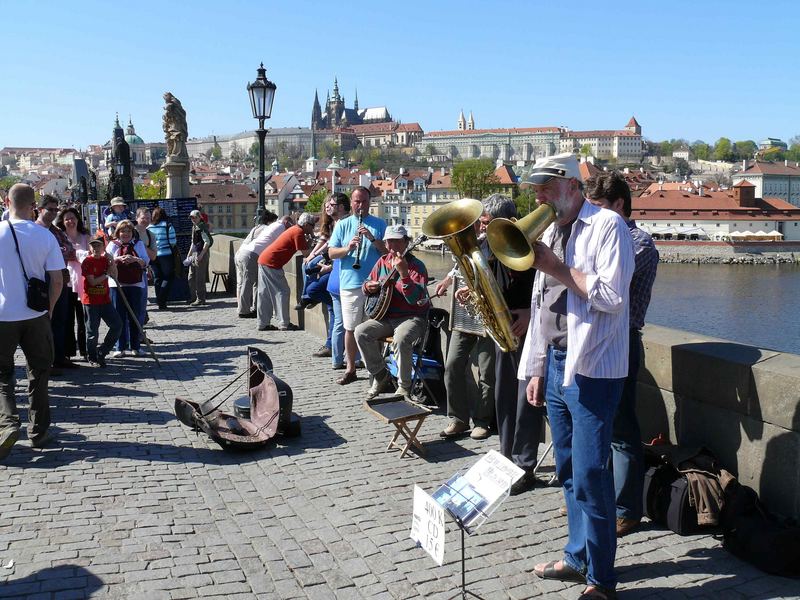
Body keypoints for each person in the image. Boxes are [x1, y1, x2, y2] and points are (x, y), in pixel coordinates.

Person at [522, 154, 634, 600]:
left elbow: (611, 296)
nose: (538, 196)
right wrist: (534, 368)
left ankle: (601, 580)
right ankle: (578, 555)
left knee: (591, 473)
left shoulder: (608, 226)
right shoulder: (549, 231)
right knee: (567, 469)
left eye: (545, 187)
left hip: (593, 369)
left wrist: (554, 267)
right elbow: (539, 308)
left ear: (572, 184)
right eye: (535, 189)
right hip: (554, 364)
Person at [585, 171, 659, 538]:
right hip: (593, 339)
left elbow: (608, 287)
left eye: (598, 208)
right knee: (597, 426)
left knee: (623, 427)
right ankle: (600, 500)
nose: (592, 215)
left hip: (624, 340)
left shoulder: (640, 242)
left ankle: (628, 509)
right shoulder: (593, 235)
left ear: (619, 206)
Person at [0, 184, 65, 458]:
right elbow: (58, 280)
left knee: (3, 376)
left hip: (3, 316)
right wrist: (48, 309)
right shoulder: (44, 236)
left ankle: (7, 424)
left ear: (7, 201)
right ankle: (38, 431)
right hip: (36, 315)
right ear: (33, 205)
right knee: (39, 374)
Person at [436, 225, 497, 442]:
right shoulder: (470, 245)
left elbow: (495, 281)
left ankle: (482, 421)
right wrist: (447, 279)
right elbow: (458, 269)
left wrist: (473, 290)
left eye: (487, 221)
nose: (482, 226)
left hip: (489, 319)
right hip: (465, 316)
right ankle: (458, 419)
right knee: (452, 365)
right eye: (479, 222)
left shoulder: (499, 247)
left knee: (486, 372)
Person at [355, 225, 429, 399]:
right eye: (389, 241)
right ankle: (381, 375)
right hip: (386, 317)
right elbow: (366, 283)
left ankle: (404, 386)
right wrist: (368, 287)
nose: (391, 245)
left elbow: (415, 300)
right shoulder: (382, 261)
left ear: (406, 242)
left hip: (412, 317)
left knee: (401, 337)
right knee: (361, 332)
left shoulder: (417, 266)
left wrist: (404, 274)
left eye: (396, 241)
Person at [327, 186, 387, 385]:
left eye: (364, 201)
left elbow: (387, 253)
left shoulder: (379, 224)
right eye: (357, 201)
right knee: (351, 328)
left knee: (374, 329)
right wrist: (348, 248)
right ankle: (350, 368)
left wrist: (371, 238)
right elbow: (331, 253)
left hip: (374, 284)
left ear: (370, 203)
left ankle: (376, 370)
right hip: (350, 284)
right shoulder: (343, 224)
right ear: (351, 203)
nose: (360, 205)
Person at [303, 193, 350, 359]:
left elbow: (340, 251)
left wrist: (327, 266)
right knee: (333, 311)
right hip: (334, 273)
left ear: (341, 207)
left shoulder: (345, 223)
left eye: (332, 204)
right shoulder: (333, 223)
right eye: (327, 205)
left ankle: (335, 351)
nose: (328, 207)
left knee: (318, 293)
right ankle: (333, 350)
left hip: (340, 274)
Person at [256, 213, 316, 331]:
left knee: (265, 294)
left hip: (265, 259)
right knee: (283, 291)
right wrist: (313, 237)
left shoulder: (295, 229)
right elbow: (306, 253)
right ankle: (284, 323)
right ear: (307, 224)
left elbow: (303, 248)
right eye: (312, 226)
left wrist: (309, 239)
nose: (313, 228)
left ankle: (262, 323)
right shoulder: (298, 232)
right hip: (272, 263)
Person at [36, 195, 76, 370]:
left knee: (61, 320)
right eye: (50, 209)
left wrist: (58, 252)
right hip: (42, 281)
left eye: (55, 210)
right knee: (44, 322)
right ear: (40, 209)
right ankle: (46, 361)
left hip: (60, 279)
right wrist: (58, 252)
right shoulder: (35, 230)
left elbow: (70, 250)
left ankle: (59, 357)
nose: (54, 213)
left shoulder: (56, 230)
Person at [106, 220, 150, 357]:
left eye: (128, 231)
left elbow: (146, 261)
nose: (125, 234)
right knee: (119, 316)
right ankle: (120, 346)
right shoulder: (112, 245)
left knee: (135, 316)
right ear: (118, 232)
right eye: (123, 231)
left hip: (135, 284)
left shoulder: (139, 244)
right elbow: (105, 261)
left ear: (132, 233)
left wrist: (134, 259)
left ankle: (135, 346)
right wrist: (118, 259)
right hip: (117, 284)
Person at [81, 235, 123, 367]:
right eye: (93, 245)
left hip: (105, 301)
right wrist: (106, 274)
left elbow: (115, 276)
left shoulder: (105, 260)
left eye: (98, 245)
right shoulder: (87, 261)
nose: (96, 248)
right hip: (90, 302)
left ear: (103, 247)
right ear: (89, 247)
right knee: (92, 332)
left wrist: (112, 262)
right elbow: (92, 282)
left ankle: (102, 351)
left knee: (117, 325)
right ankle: (92, 357)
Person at [55, 206, 90, 362]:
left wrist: (74, 255)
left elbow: (90, 256)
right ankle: (68, 351)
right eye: (67, 219)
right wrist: (75, 255)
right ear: (63, 222)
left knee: (84, 319)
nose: (70, 221)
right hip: (67, 282)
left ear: (78, 220)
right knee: (67, 318)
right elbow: (62, 255)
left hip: (83, 282)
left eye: (73, 218)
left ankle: (85, 349)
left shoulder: (85, 236)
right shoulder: (60, 237)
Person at [234, 211, 280, 318]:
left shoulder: (256, 228)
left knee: (241, 283)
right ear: (270, 221)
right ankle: (245, 310)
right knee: (251, 283)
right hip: (249, 256)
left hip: (240, 254)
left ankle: (242, 307)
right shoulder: (266, 228)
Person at [147, 207, 177, 310]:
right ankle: (162, 300)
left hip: (153, 255)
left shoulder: (149, 227)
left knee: (157, 278)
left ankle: (159, 300)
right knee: (168, 277)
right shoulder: (168, 225)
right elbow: (173, 242)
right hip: (166, 255)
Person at [186, 209, 213, 306]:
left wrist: (201, 254)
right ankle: (193, 297)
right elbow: (193, 242)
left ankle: (200, 299)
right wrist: (189, 255)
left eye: (194, 217)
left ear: (199, 217)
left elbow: (207, 242)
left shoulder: (201, 227)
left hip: (201, 253)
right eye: (191, 218)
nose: (193, 219)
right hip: (195, 253)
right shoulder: (195, 226)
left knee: (199, 278)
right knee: (191, 276)